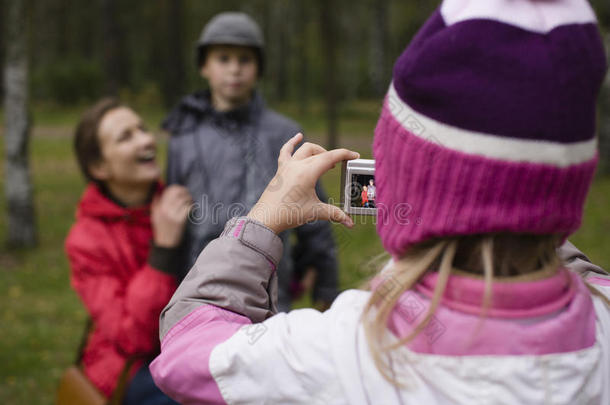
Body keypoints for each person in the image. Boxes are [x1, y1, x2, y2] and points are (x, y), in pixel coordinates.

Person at [150, 1, 610, 404]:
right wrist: (520, 205)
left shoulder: (344, 350)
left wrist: (265, 217)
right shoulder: (602, 318)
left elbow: (188, 351)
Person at [162, 11, 338, 311]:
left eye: (245, 60)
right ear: (204, 66)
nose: (234, 69)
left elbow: (312, 210)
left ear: (258, 68)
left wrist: (325, 282)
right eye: (224, 58)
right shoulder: (184, 138)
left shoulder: (285, 135)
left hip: (268, 294)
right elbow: (171, 217)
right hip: (198, 293)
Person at [65, 98, 191, 404]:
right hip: (128, 366)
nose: (147, 139)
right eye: (126, 137)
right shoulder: (85, 241)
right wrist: (162, 251)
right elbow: (132, 339)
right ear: (99, 167)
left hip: (188, 346)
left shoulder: (178, 201)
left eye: (142, 129)